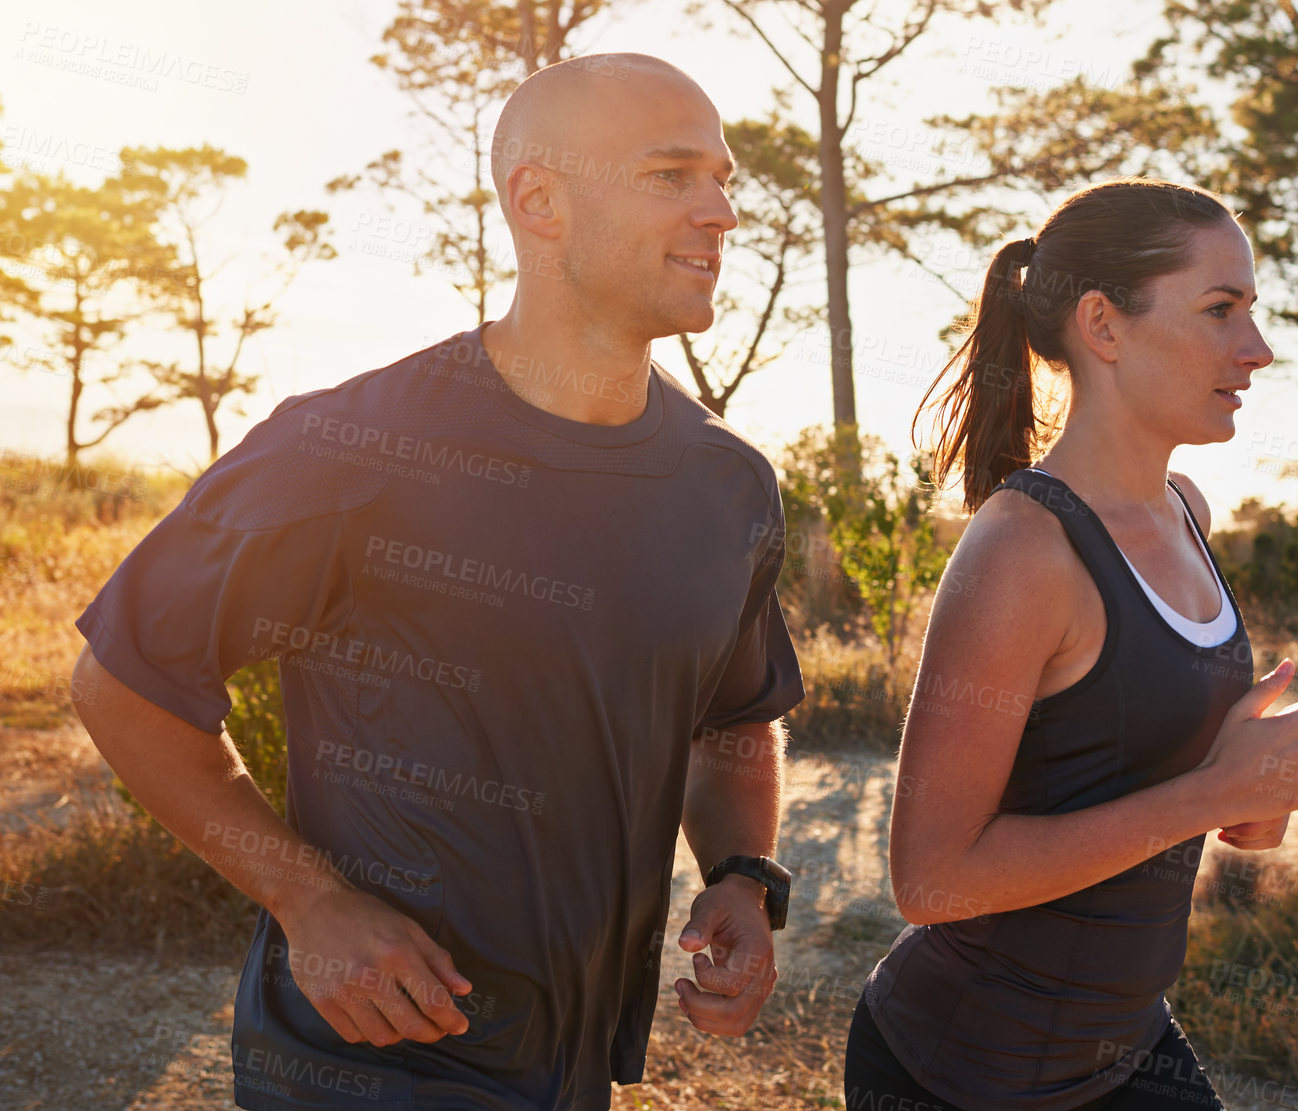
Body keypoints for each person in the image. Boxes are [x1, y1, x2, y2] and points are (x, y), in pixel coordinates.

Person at [69, 53, 805, 1110]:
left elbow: (731, 720)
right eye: (670, 176)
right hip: (368, 1060)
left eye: (723, 180)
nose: (722, 212)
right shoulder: (350, 445)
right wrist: (309, 901)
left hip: (572, 1064)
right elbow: (121, 679)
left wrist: (742, 873)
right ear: (538, 201)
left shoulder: (727, 484)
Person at [841, 178, 1298, 1111]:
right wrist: (1212, 791)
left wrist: (1266, 787)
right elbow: (931, 877)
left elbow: (1197, 807)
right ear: (1104, 326)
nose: (1258, 348)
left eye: (1254, 311)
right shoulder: (1022, 552)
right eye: (1220, 310)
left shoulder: (1187, 513)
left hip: (1125, 1051)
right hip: (960, 1071)